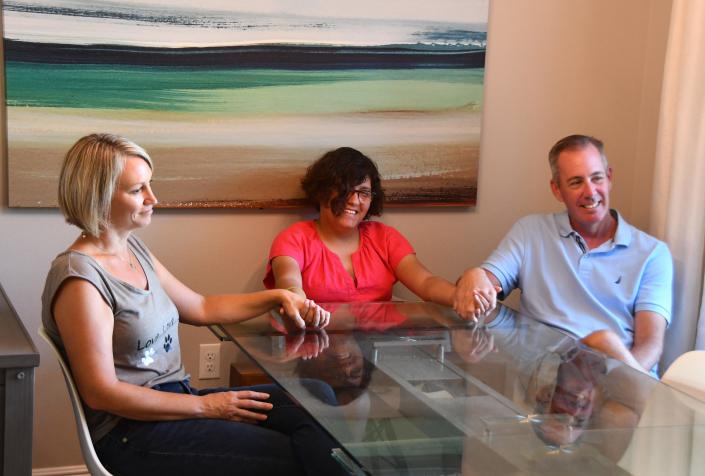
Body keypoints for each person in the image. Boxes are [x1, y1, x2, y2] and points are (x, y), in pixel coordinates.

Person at [41, 133, 346, 476]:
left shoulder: (133, 250)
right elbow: (101, 394)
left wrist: (278, 297)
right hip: (131, 432)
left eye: (150, 185)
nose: (153, 198)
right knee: (296, 454)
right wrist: (205, 406)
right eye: (137, 189)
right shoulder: (80, 280)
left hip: (178, 398)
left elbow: (201, 307)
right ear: (98, 195)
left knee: (313, 398)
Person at [454, 134, 673, 375]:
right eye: (576, 182)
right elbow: (483, 287)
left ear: (609, 178)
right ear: (557, 190)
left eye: (597, 178)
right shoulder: (530, 232)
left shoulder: (653, 253)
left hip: (617, 379)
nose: (590, 192)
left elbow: (651, 345)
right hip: (547, 378)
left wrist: (618, 384)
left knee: (606, 345)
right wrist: (474, 274)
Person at [264, 146, 491, 317]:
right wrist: (298, 301)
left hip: (376, 349)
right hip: (310, 346)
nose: (354, 201)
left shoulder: (385, 237)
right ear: (322, 191)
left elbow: (426, 283)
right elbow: (288, 282)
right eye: (345, 190)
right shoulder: (294, 238)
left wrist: (460, 297)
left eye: (364, 193)